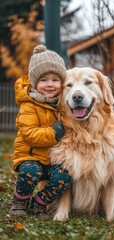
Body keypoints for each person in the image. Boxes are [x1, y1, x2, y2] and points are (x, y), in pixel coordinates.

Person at [10, 44, 72, 216]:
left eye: (55, 80)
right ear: (35, 83)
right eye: (44, 80)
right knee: (31, 171)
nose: (50, 84)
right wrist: (54, 133)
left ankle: (40, 203)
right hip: (30, 156)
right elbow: (28, 134)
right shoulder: (29, 105)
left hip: (52, 160)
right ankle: (20, 202)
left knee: (64, 177)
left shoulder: (62, 105)